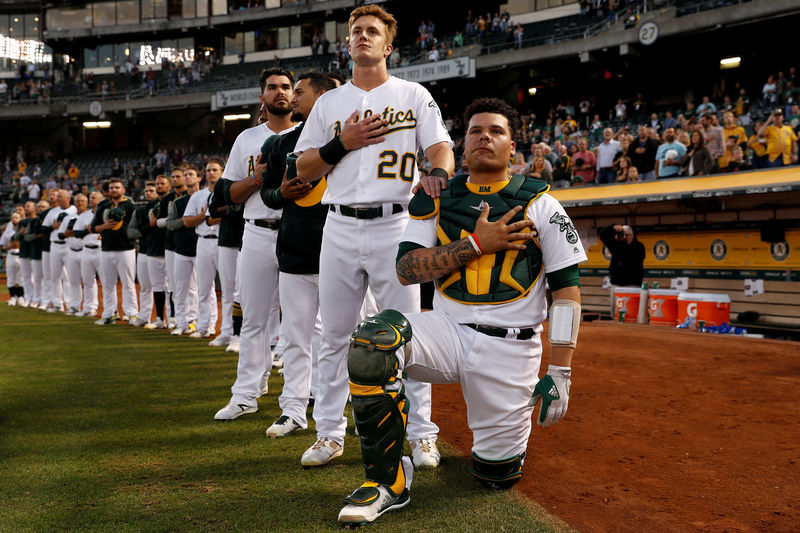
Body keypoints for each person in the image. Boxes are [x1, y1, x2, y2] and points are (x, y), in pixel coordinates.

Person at [336, 97, 586, 526]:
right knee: (373, 342)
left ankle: (497, 453)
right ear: (462, 145)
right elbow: (406, 270)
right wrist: (475, 244)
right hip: (446, 330)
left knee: (495, 475)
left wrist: (560, 372)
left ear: (513, 148)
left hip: (510, 349)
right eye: (474, 131)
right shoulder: (432, 198)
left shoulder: (543, 204)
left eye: (496, 131)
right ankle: (389, 481)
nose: (484, 136)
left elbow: (566, 291)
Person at [294, 5, 452, 469]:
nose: (362, 37)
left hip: (396, 224)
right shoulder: (329, 103)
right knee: (336, 336)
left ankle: (422, 434)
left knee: (407, 335)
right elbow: (303, 169)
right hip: (339, 224)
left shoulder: (413, 93)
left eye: (372, 32)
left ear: (388, 46)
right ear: (348, 44)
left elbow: (440, 146)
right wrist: (343, 142)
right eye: (355, 31)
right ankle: (328, 433)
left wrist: (438, 172)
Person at [214, 67, 296, 421]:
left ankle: (303, 392)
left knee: (304, 321)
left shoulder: (310, 134)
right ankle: (246, 393)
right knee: (253, 320)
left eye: (286, 87)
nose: (280, 92)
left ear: (295, 95)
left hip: (299, 231)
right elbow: (228, 194)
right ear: (262, 97)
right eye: (272, 87)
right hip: (257, 231)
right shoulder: (247, 139)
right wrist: (255, 178)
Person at [259, 71, 337, 438]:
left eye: (300, 92)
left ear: (322, 97)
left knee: (339, 337)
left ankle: (331, 409)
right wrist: (282, 195)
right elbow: (268, 195)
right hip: (293, 249)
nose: (292, 97)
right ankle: (293, 409)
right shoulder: (280, 144)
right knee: (296, 336)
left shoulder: (347, 141)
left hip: (339, 252)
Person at [207, 159, 245, 351]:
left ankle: (240, 335)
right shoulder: (224, 182)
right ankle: (227, 331)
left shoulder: (256, 176)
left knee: (243, 291)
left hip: (250, 238)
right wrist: (231, 208)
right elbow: (213, 210)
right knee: (229, 290)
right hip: (228, 238)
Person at [182, 161, 223, 339]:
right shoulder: (198, 196)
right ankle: (205, 326)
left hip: (224, 242)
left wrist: (207, 218)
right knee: (204, 287)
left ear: (222, 172)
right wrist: (204, 216)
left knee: (232, 289)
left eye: (215, 170)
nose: (211, 173)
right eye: (208, 170)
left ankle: (231, 330)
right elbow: (187, 221)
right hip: (203, 242)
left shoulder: (228, 192)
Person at [90, 178, 138, 325]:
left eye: (117, 187)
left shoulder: (130, 206)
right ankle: (109, 314)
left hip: (126, 249)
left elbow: (136, 228)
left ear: (123, 190)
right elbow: (93, 228)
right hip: (106, 249)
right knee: (108, 284)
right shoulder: (103, 205)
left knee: (128, 283)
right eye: (111, 188)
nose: (113, 190)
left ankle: (132, 314)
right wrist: (105, 226)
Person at [167, 165, 201, 336]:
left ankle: (193, 321)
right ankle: (181, 322)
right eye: (185, 175)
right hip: (180, 247)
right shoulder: (178, 202)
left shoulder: (204, 197)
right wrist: (188, 220)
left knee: (195, 289)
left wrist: (191, 220)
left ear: (198, 178)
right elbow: (170, 224)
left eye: (190, 174)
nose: (187, 177)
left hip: (200, 246)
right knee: (179, 288)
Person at [141, 174, 171, 329]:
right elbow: (142, 228)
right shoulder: (149, 206)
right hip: (152, 249)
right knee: (158, 286)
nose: (159, 186)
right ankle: (160, 317)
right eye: (157, 184)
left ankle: (173, 318)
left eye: (162, 184)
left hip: (170, 248)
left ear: (169, 186)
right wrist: (152, 225)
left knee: (172, 287)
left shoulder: (173, 201)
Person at [598, 223, 645, 317]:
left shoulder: (639, 246)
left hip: (632, 285)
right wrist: (613, 227)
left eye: (626, 235)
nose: (624, 237)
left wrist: (628, 242)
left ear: (632, 235)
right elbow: (602, 234)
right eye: (622, 234)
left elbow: (636, 257)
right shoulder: (616, 246)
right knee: (614, 310)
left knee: (631, 313)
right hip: (616, 284)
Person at [71, 191, 103, 317]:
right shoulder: (84, 215)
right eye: (90, 197)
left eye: (94, 198)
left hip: (101, 249)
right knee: (88, 281)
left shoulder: (105, 214)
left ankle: (111, 310)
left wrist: (89, 230)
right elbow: (76, 233)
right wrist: (89, 230)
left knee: (107, 282)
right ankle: (89, 308)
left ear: (101, 200)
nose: (91, 199)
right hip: (86, 249)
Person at [1, 213, 23, 305]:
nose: (14, 219)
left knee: (21, 277)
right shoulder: (8, 231)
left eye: (16, 217)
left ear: (20, 219)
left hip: (21, 254)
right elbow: (3, 246)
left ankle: (21, 297)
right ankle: (13, 297)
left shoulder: (23, 230)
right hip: (11, 254)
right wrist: (9, 247)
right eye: (13, 217)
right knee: (10, 277)